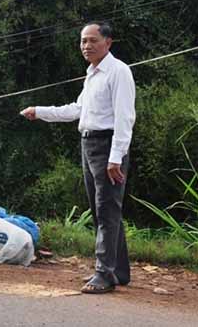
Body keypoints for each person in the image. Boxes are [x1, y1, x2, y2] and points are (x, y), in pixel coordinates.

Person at [20, 21, 135, 294]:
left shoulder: (118, 72)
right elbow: (76, 110)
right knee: (102, 211)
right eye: (83, 41)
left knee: (107, 210)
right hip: (89, 145)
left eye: (93, 40)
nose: (86, 46)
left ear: (108, 42)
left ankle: (103, 274)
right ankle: (119, 270)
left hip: (108, 147)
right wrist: (40, 111)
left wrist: (116, 157)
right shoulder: (92, 74)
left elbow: (124, 118)